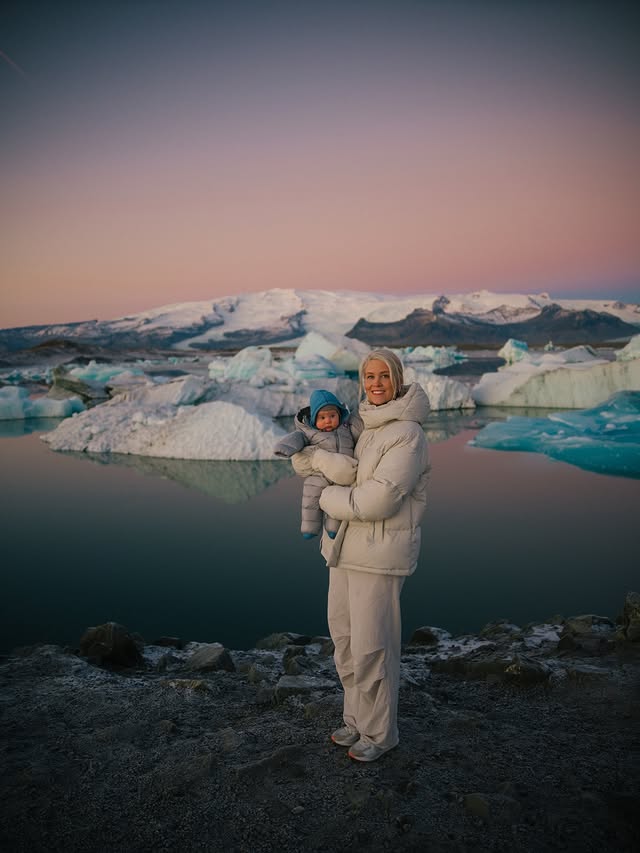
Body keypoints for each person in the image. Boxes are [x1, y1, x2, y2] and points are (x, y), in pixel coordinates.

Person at [291, 349, 430, 762]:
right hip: (343, 551)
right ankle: (356, 721)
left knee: (374, 646)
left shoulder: (407, 433)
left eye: (383, 376)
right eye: (369, 376)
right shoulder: (363, 425)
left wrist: (328, 498)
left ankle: (381, 733)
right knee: (346, 640)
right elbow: (332, 463)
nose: (375, 383)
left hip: (380, 553)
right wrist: (313, 458)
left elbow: (379, 498)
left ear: (397, 380)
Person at [274, 389, 359, 539]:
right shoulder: (310, 433)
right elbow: (296, 438)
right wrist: (285, 448)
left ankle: (333, 528)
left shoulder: (346, 428)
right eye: (322, 417)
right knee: (311, 495)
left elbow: (359, 426)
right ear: (314, 420)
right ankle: (310, 527)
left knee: (338, 500)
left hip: (343, 474)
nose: (328, 421)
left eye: (332, 416)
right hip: (320, 473)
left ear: (340, 415)